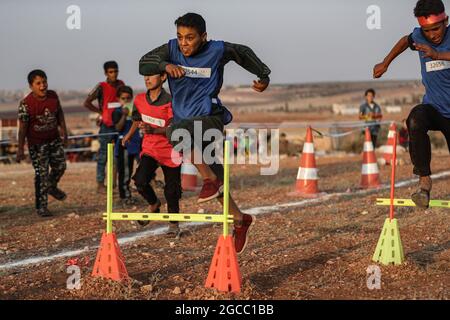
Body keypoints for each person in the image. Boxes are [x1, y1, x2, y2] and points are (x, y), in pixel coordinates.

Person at [138, 12, 271, 253]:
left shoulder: (217, 50)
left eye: (190, 38)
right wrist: (164, 65)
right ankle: (240, 219)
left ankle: (208, 180)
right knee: (216, 177)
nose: (184, 43)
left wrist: (263, 74)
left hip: (210, 118)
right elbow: (143, 63)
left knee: (175, 132)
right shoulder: (171, 50)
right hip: (186, 124)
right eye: (180, 37)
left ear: (204, 37)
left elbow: (243, 52)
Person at [373, 0, 450, 208]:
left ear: (446, 21)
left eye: (436, 28)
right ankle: (424, 181)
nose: (433, 35)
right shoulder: (419, 36)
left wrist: (439, 55)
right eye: (428, 30)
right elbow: (403, 42)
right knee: (415, 119)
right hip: (434, 109)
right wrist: (385, 63)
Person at [122, 73, 182, 237]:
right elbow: (137, 119)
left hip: (171, 150)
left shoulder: (171, 100)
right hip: (151, 148)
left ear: (163, 77)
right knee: (139, 181)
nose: (147, 79)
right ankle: (154, 204)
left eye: (151, 76)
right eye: (145, 76)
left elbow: (174, 127)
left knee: (171, 190)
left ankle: (173, 225)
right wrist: (129, 134)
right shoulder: (140, 99)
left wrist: (155, 130)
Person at [16, 69, 68, 217]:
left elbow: (60, 114)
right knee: (41, 174)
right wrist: (20, 149)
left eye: (44, 82)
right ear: (31, 86)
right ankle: (41, 207)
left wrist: (64, 132)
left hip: (54, 139)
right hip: (37, 144)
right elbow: (22, 129)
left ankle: (51, 186)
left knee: (61, 166)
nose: (42, 86)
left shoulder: (53, 96)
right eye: (38, 83)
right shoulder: (26, 104)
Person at [84, 61, 124, 193]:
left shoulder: (121, 85)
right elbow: (87, 102)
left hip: (119, 124)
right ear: (106, 73)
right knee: (103, 156)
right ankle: (100, 184)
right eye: (111, 72)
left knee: (117, 156)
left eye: (115, 71)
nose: (114, 74)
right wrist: (101, 112)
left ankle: (114, 184)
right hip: (106, 126)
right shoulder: (101, 87)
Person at [112, 86, 141, 205]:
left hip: (136, 144)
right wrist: (124, 115)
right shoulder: (117, 112)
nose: (126, 101)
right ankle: (124, 196)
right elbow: (118, 127)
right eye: (123, 98)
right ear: (119, 99)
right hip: (124, 146)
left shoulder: (135, 111)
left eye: (128, 98)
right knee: (125, 172)